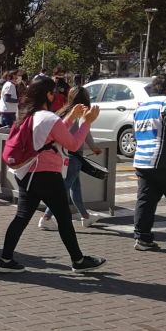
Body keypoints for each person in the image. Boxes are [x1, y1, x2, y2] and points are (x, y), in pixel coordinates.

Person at [0, 77, 106, 274]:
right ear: (47, 94)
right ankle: (78, 260)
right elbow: (72, 143)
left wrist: (71, 116)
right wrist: (86, 122)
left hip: (27, 174)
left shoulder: (29, 116)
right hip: (46, 174)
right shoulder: (48, 117)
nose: (55, 95)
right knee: (64, 218)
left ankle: (5, 259)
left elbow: (54, 133)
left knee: (21, 218)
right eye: (53, 91)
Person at [131, 74, 166, 252]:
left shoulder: (141, 108)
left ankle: (143, 238)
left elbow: (135, 135)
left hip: (142, 160)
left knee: (146, 201)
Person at [38, 86, 103, 230]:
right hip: (74, 155)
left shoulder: (63, 112)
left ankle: (85, 216)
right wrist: (93, 147)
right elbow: (85, 131)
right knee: (64, 188)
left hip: (62, 153)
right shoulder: (82, 113)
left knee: (75, 187)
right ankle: (46, 217)